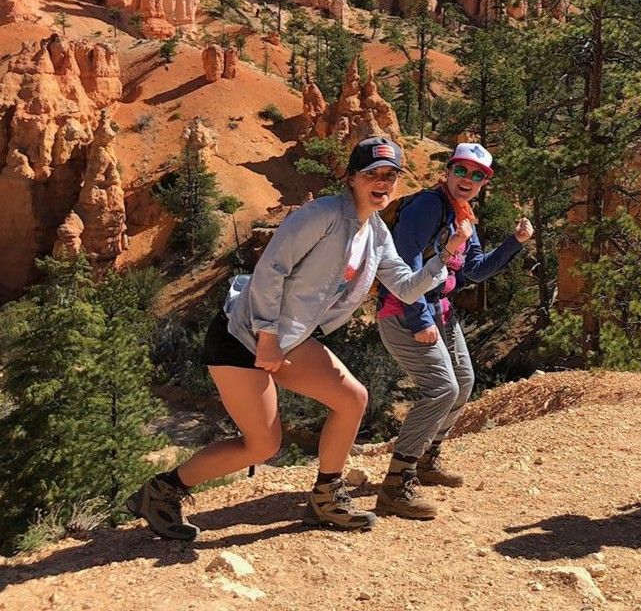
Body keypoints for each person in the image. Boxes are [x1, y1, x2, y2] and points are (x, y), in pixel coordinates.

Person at [127, 137, 462, 540]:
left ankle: (327, 496)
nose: (382, 182)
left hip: (288, 338)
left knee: (352, 398)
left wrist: (443, 257)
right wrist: (267, 338)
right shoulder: (321, 215)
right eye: (372, 174)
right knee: (262, 445)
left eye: (390, 176)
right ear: (351, 177)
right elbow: (271, 271)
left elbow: (406, 288)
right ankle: (162, 492)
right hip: (243, 334)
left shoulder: (374, 233)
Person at [372, 143, 534, 519]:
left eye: (478, 175)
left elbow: (474, 270)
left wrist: (515, 242)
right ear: (447, 171)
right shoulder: (428, 206)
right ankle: (397, 482)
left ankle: (428, 458)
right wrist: (420, 321)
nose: (468, 179)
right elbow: (402, 265)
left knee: (462, 381)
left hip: (440, 310)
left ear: (484, 183)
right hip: (405, 311)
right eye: (462, 170)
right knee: (441, 388)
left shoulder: (463, 213)